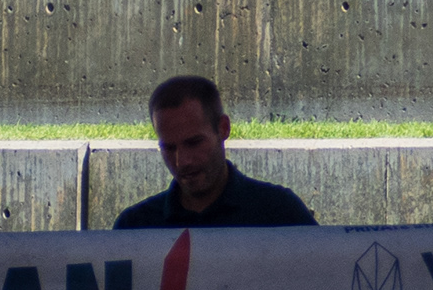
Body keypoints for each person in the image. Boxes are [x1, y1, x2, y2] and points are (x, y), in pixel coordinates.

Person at [114, 74, 317, 229]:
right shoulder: (135, 225)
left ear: (223, 128)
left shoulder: (281, 214)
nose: (182, 161)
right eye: (169, 148)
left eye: (194, 143)